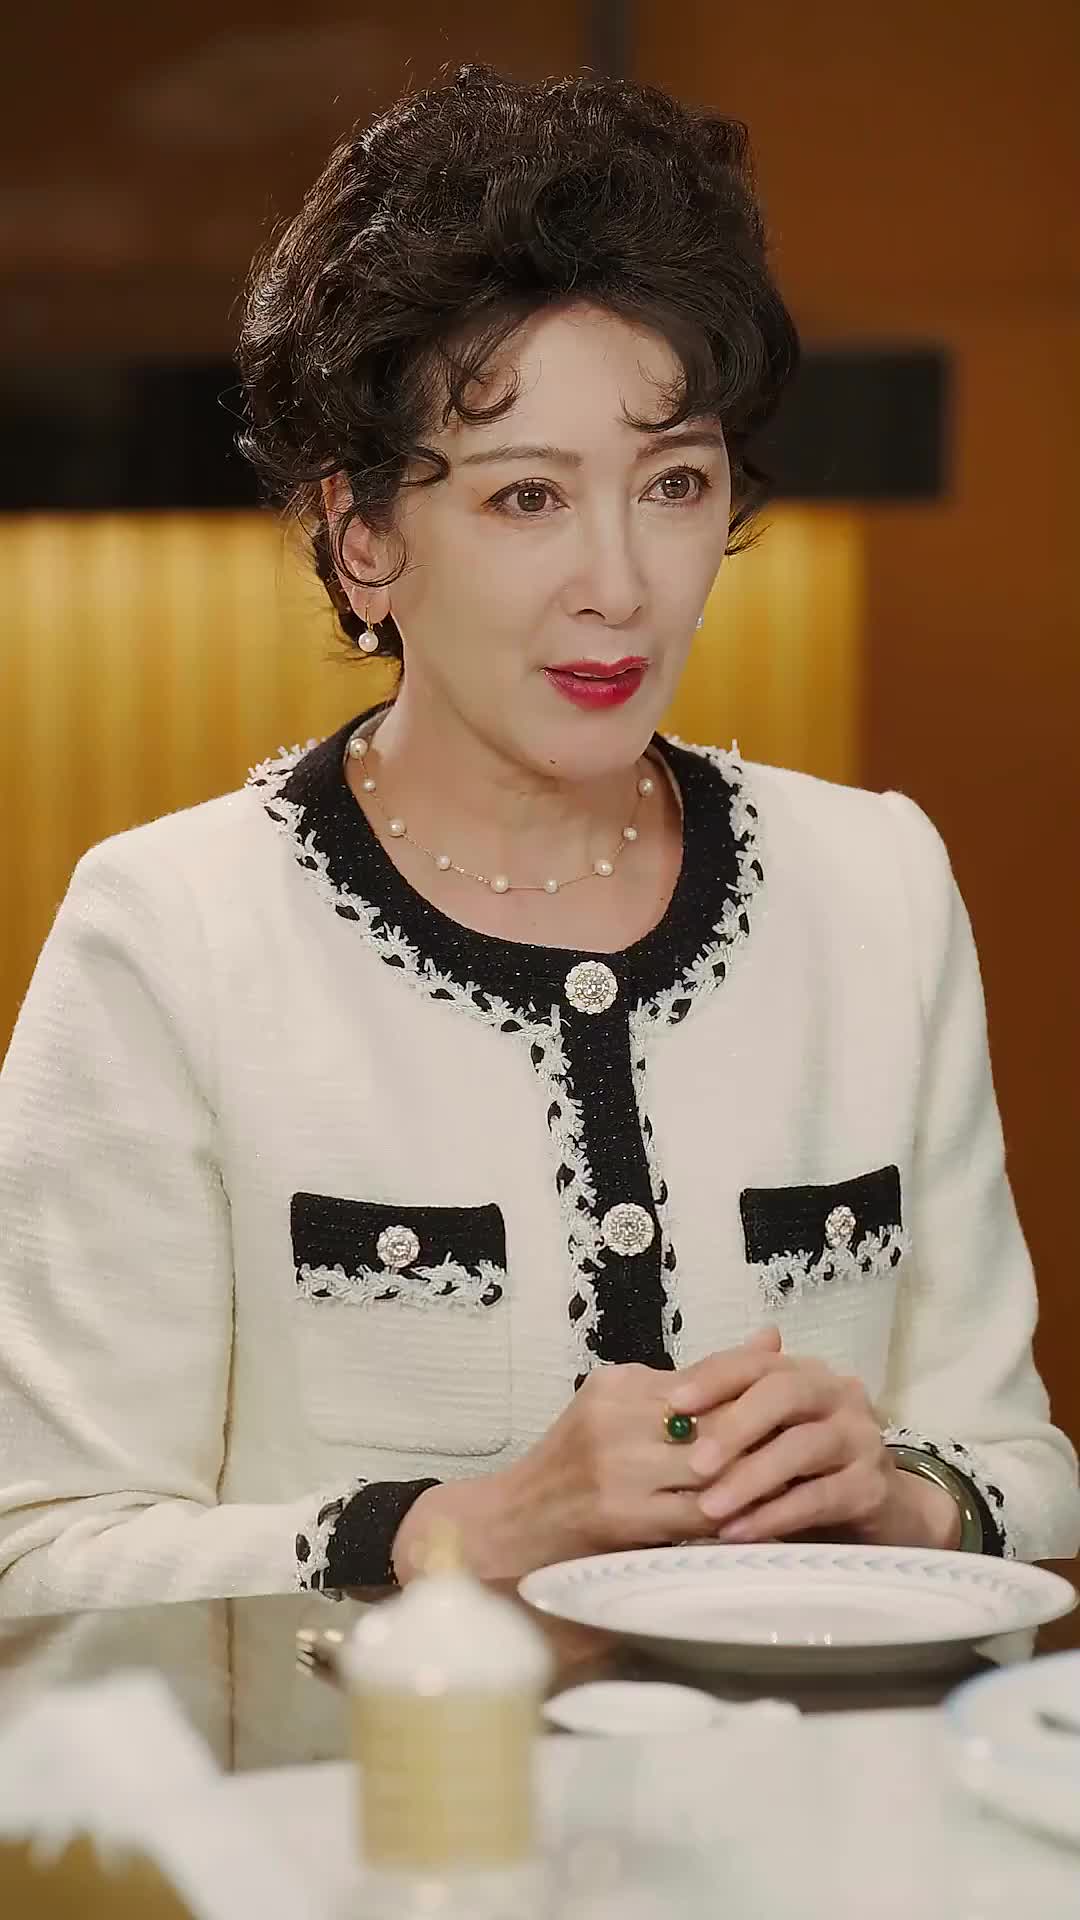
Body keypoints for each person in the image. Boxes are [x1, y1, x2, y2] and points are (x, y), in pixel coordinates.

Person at [0, 66, 1076, 1619]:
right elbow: (37, 1556)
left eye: (676, 484)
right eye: (526, 499)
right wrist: (467, 1531)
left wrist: (907, 1498)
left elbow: (1024, 1464)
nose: (620, 584)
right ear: (364, 540)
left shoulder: (879, 884)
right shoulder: (172, 935)